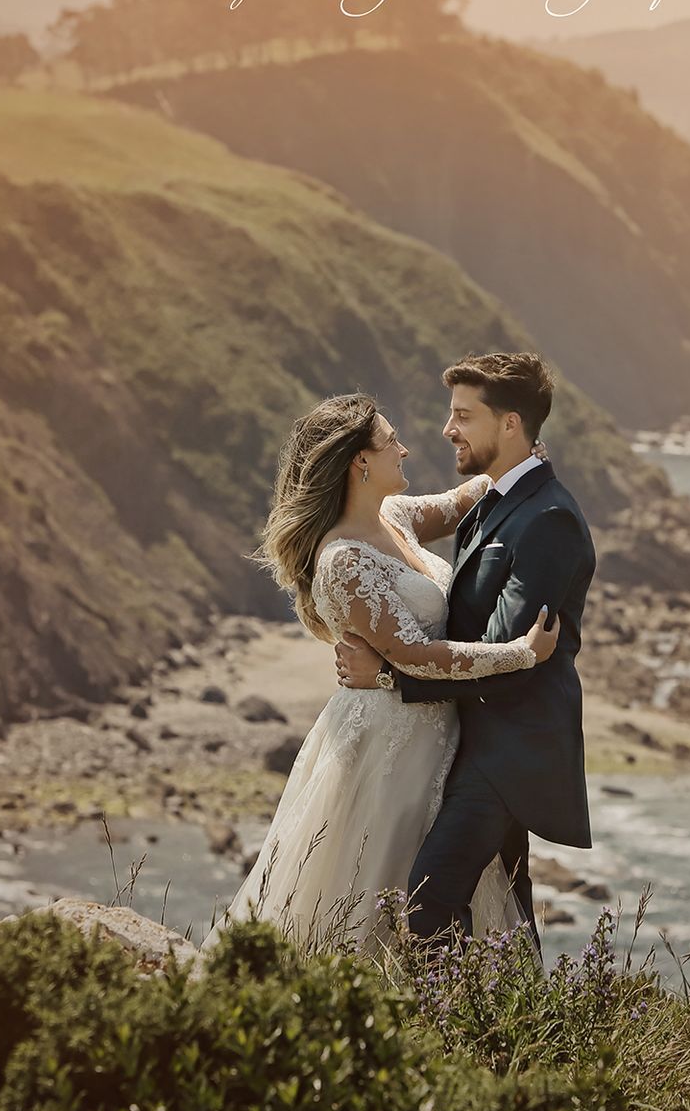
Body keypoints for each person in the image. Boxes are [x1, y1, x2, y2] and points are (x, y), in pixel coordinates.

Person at [203, 391, 557, 954]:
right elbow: (418, 656)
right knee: (377, 891)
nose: (405, 449)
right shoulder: (344, 561)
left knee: (437, 887)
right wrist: (521, 653)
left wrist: (515, 454)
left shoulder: (394, 516)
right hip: (388, 742)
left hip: (433, 734)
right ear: (360, 462)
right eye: (393, 441)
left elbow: (461, 501)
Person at [334, 352, 596, 956]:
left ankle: (444, 1018)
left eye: (463, 416)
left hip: (509, 750)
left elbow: (510, 655)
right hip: (471, 739)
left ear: (509, 424)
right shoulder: (497, 495)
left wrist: (388, 676)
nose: (447, 429)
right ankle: (508, 1015)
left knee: (427, 903)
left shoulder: (549, 520)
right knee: (506, 916)